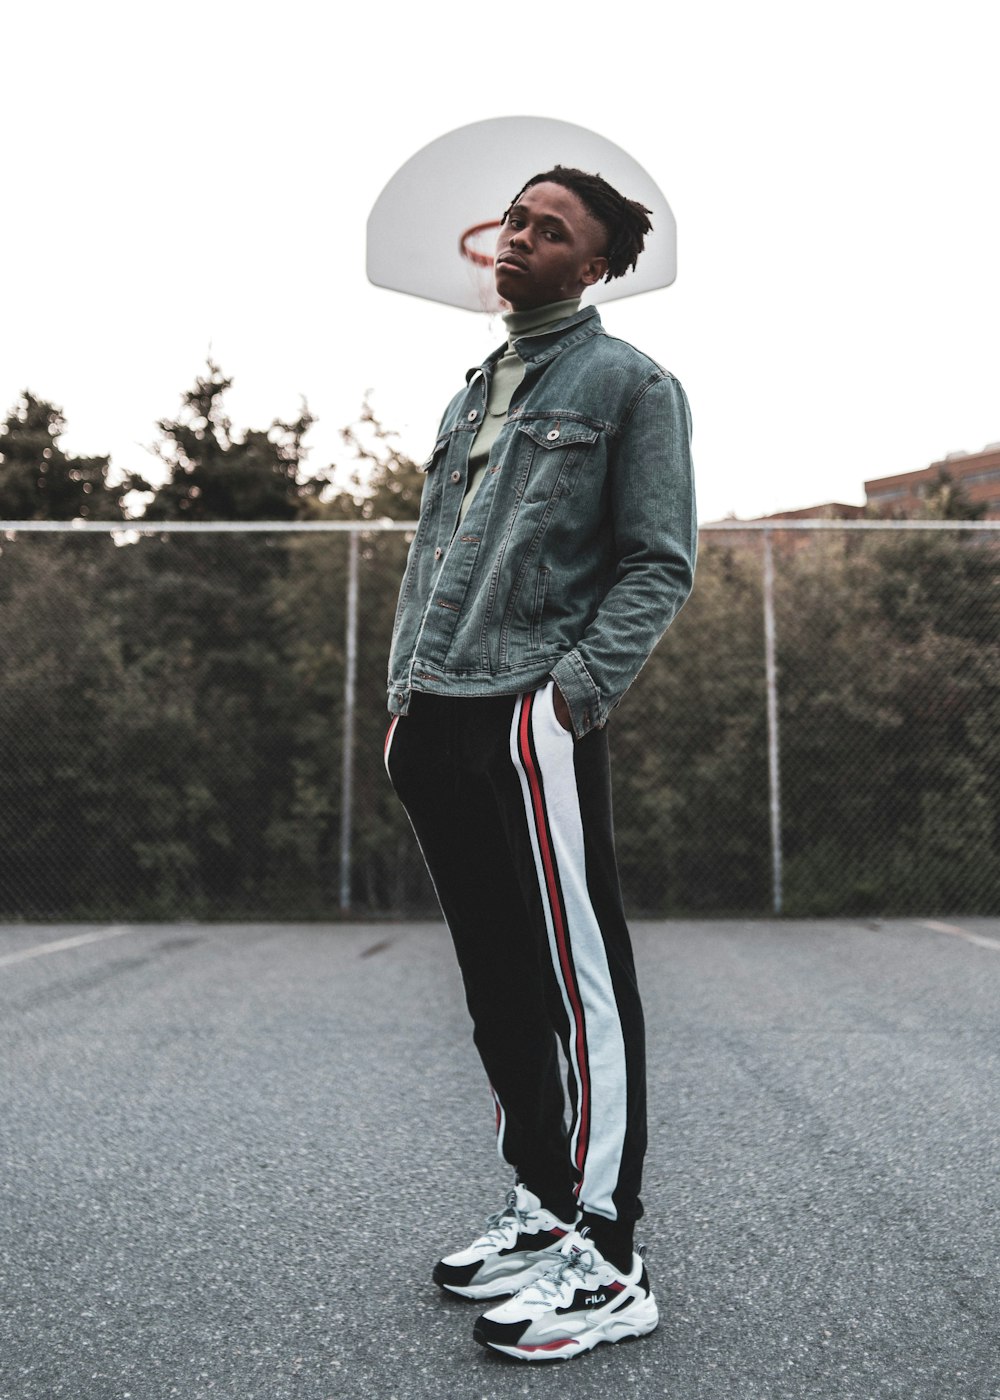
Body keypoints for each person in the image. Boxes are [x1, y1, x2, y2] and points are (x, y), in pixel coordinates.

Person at [383, 165, 696, 1362]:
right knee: (500, 979)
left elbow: (656, 561)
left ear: (596, 264)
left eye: (548, 228)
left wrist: (563, 703)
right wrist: (404, 699)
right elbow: (434, 557)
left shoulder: (629, 385)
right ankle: (544, 1199)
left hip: (527, 720)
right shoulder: (478, 387)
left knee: (581, 984)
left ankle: (612, 1257)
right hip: (438, 719)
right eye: (513, 218)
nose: (516, 236)